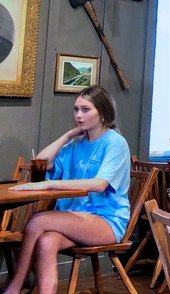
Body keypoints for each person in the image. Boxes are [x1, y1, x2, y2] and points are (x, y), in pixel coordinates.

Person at [3, 86, 130, 294]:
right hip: (75, 218)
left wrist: (49, 184)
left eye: (86, 110)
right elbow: (41, 162)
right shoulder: (76, 143)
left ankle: (15, 287)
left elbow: (99, 184)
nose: (79, 115)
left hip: (106, 220)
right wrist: (68, 135)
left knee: (37, 220)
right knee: (46, 241)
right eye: (76, 109)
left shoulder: (115, 142)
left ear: (103, 112)